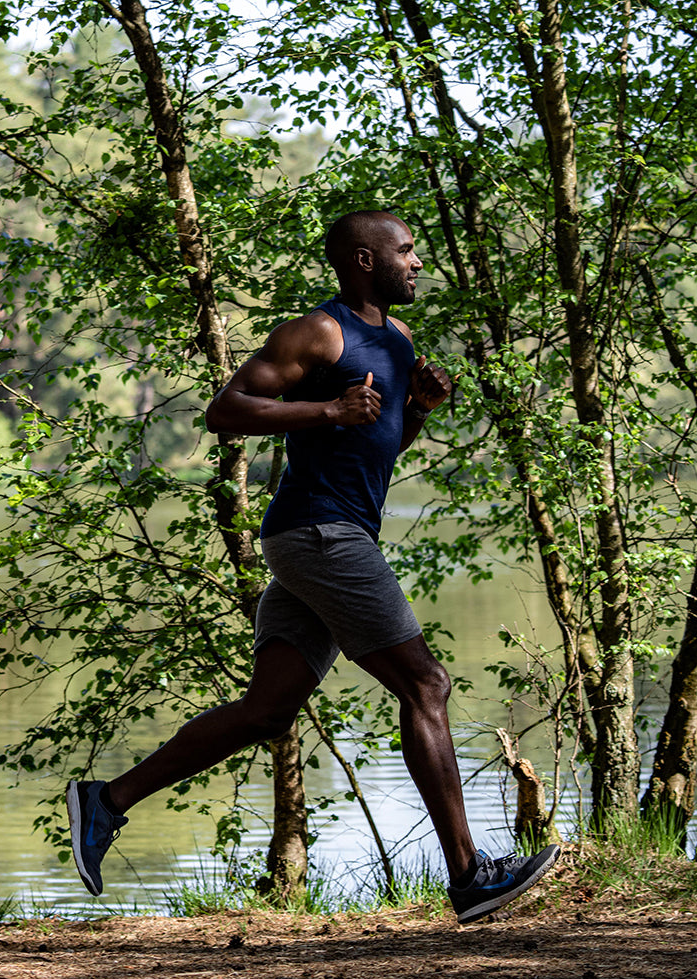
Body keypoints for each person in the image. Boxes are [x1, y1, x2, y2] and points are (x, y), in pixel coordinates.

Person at [65, 209, 560, 924]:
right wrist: (328, 408)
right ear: (364, 259)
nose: (418, 263)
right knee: (426, 683)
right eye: (409, 249)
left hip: (325, 534)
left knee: (267, 710)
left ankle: (105, 801)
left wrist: (415, 412)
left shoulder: (398, 340)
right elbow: (225, 409)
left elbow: (372, 448)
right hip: (318, 534)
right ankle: (469, 878)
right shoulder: (321, 331)